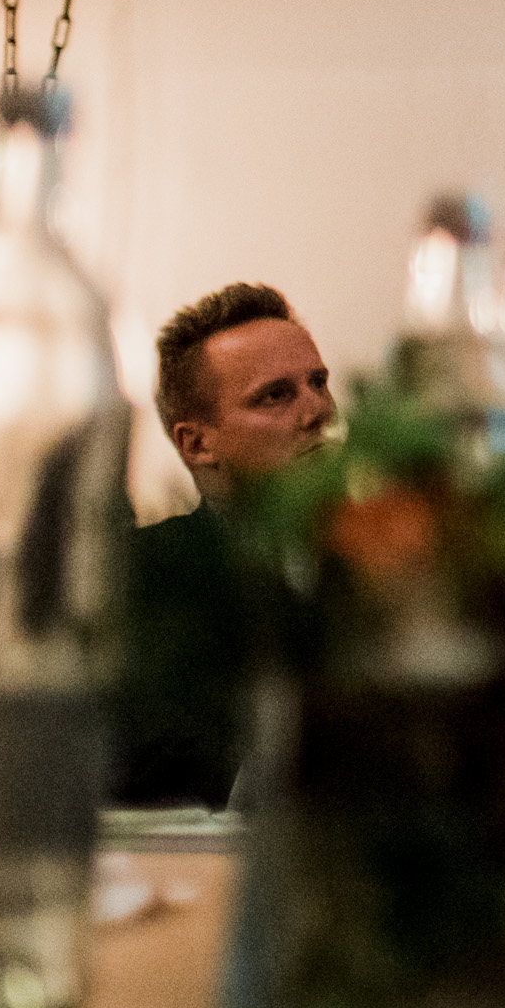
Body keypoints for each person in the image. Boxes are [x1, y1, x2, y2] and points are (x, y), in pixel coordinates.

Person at [117, 284, 335, 806]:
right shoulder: (139, 576)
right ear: (197, 443)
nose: (319, 411)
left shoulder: (381, 571)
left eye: (319, 383)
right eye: (276, 395)